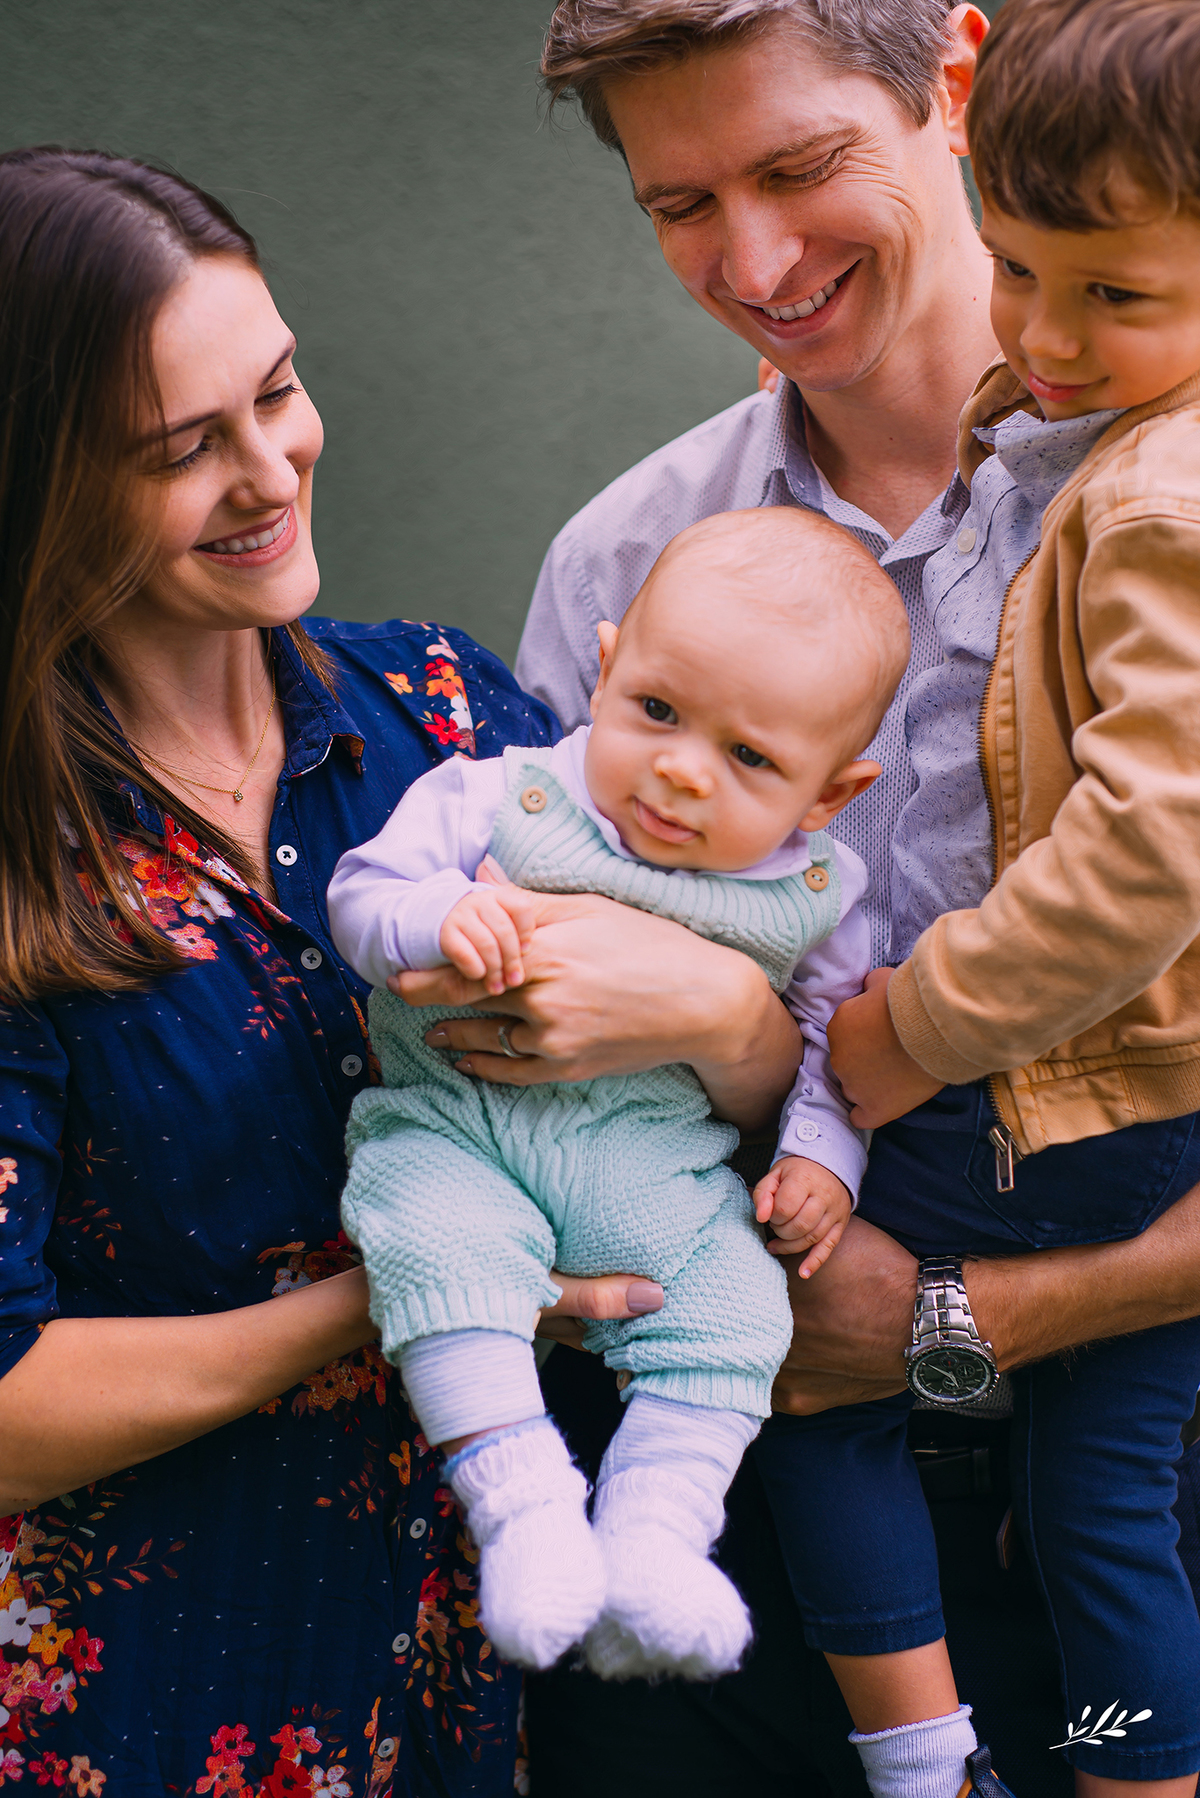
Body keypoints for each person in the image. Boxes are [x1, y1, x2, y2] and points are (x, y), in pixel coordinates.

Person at [457, 1, 1200, 1791]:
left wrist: (968, 1320)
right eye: (682, 203)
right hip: (751, 1554)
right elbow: (546, 1062)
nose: (758, 259)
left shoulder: (1161, 504)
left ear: (953, 75)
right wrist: (726, 1039)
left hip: (1154, 1498)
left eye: (799, 169)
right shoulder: (629, 566)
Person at [0, 146, 798, 1793]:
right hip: (128, 1701)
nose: (268, 467)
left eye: (278, 390)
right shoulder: (20, 841)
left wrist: (728, 1016)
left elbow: (712, 1063)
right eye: (181, 448)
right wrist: (408, 1290)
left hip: (458, 1670)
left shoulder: (443, 710)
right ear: (38, 477)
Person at [807, 2, 1200, 1793]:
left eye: (1116, 296)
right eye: (1019, 267)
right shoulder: (1067, 443)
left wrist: (906, 1032)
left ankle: (919, 1754)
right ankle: (1135, 1766)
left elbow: (1151, 846)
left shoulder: (1162, 499)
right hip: (1143, 1117)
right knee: (1107, 1503)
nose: (1046, 334)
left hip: (1042, 1103)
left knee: (778, 1328)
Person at [326, 507, 906, 1680]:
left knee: (739, 1314)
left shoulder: (822, 892)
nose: (682, 770)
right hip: (460, 1130)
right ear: (606, 668)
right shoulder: (499, 794)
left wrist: (820, 1165)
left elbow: (838, 1053)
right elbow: (360, 893)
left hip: (657, 1174)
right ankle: (524, 1505)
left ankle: (654, 1539)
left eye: (750, 759)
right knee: (435, 1246)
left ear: (830, 793)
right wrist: (434, 916)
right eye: (655, 711)